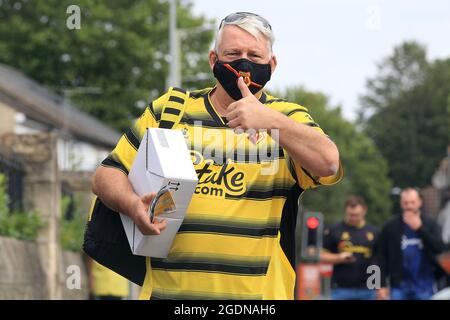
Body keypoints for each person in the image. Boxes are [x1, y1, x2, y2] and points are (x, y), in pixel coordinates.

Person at [91, 12, 342, 300]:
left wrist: (270, 121)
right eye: (233, 53)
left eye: (255, 55)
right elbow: (106, 174)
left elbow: (329, 161)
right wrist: (132, 204)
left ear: (272, 65)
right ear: (213, 60)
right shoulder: (171, 110)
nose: (244, 63)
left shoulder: (288, 118)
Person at [377, 188, 445, 300]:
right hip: (398, 285)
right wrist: (379, 285)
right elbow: (380, 257)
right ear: (401, 203)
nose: (409, 206)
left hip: (425, 284)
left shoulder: (430, 223)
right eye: (405, 202)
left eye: (412, 202)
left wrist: (420, 228)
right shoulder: (390, 226)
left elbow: (439, 248)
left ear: (420, 202)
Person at [320, 196, 379, 300]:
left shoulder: (375, 232)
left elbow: (380, 260)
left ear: (364, 211)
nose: (353, 218)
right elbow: (321, 255)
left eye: (357, 215)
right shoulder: (334, 230)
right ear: (345, 211)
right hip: (340, 288)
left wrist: (379, 286)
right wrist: (339, 257)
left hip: (369, 289)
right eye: (350, 215)